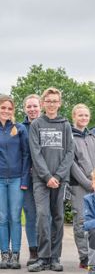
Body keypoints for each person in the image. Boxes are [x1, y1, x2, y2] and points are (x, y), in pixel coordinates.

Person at [28, 87, 74, 272]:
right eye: (48, 101)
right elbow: (35, 153)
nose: (52, 104)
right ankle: (43, 257)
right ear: (43, 103)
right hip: (41, 180)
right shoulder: (36, 125)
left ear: (59, 103)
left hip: (60, 179)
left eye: (55, 101)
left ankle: (55, 257)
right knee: (42, 216)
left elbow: (70, 152)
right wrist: (47, 176)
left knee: (58, 217)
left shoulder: (65, 125)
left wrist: (58, 176)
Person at [70, 104, 95, 268]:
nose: (83, 118)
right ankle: (84, 257)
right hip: (80, 186)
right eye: (80, 115)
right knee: (81, 221)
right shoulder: (70, 137)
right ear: (74, 117)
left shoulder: (92, 137)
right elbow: (72, 164)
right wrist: (87, 182)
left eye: (86, 115)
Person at [0, 95, 30, 269]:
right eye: (3, 108)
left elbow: (26, 155)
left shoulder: (19, 129)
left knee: (15, 217)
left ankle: (16, 254)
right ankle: (5, 254)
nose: (6, 111)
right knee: (2, 218)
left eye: (9, 108)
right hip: (0, 179)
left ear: (13, 110)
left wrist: (24, 179)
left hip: (17, 179)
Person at [22, 94, 41, 265]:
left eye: (35, 106)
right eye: (29, 106)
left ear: (40, 107)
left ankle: (46, 250)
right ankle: (33, 251)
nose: (32, 109)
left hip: (44, 178)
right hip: (26, 178)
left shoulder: (47, 126)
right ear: (24, 108)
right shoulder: (19, 128)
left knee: (45, 215)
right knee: (30, 214)